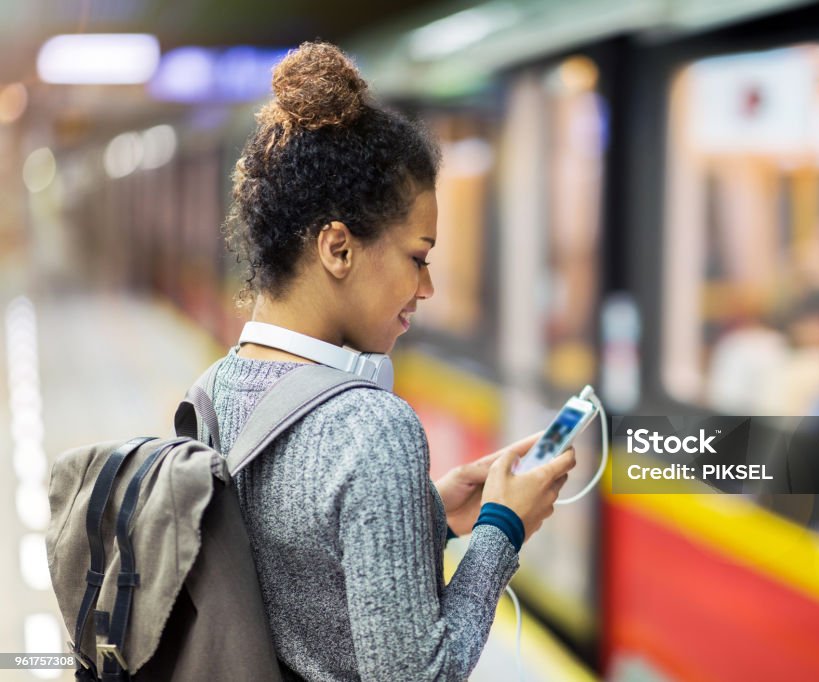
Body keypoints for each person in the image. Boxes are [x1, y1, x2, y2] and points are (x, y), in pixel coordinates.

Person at [211, 41, 576, 681]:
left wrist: (424, 514)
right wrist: (501, 529)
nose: (427, 288)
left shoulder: (218, 385)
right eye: (418, 256)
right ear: (338, 248)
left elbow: (293, 569)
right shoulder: (372, 429)